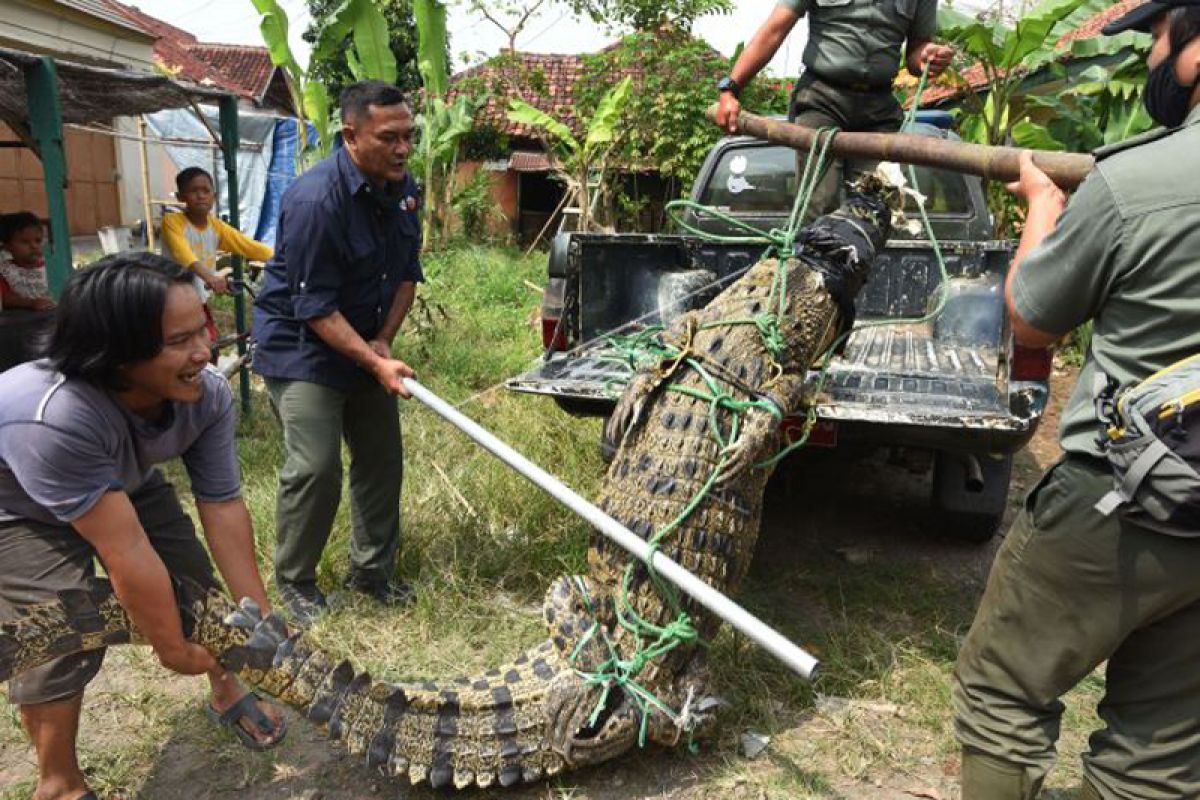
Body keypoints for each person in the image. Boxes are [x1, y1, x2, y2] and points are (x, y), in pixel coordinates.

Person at [952, 2, 1200, 797]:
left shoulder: (1139, 180)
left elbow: (1033, 317)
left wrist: (1042, 215)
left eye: (1160, 40)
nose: (1152, 61)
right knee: (1157, 758)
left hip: (1124, 496)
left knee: (1002, 691)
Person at [0, 253, 286, 800]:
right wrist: (169, 647)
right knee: (56, 624)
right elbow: (125, 548)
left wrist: (260, 618)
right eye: (178, 341)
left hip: (114, 477)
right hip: (15, 503)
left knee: (196, 584)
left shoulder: (207, 395)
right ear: (117, 352)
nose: (205, 351)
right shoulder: (54, 413)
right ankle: (59, 782)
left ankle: (225, 687)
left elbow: (222, 506)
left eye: (203, 327)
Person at [252, 80, 422, 627]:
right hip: (303, 346)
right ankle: (296, 581)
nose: (403, 149)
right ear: (350, 135)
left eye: (409, 137)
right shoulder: (315, 200)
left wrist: (384, 342)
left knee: (381, 459)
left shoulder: (402, 188)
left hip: (364, 342)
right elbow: (314, 307)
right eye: (389, 138)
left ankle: (372, 574)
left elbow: (404, 276)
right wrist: (373, 362)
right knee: (316, 466)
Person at [713, 0, 954, 218]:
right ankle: (810, 263)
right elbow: (776, 29)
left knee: (873, 212)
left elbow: (917, 48)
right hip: (822, 100)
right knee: (819, 205)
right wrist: (730, 89)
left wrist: (925, 56)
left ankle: (853, 261)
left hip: (878, 109)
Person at [161, 167, 274, 344]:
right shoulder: (172, 222)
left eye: (206, 191)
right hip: (170, 299)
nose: (200, 196)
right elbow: (182, 254)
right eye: (193, 191)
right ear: (180, 196)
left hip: (197, 299)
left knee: (208, 344)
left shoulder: (216, 227)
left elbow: (248, 246)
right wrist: (210, 278)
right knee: (195, 345)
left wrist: (285, 257)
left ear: (214, 196)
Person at [0, 211, 55, 311]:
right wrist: (31, 303)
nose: (34, 246)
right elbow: (5, 298)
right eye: (25, 242)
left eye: (38, 240)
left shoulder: (53, 266)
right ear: (7, 246)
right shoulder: (5, 271)